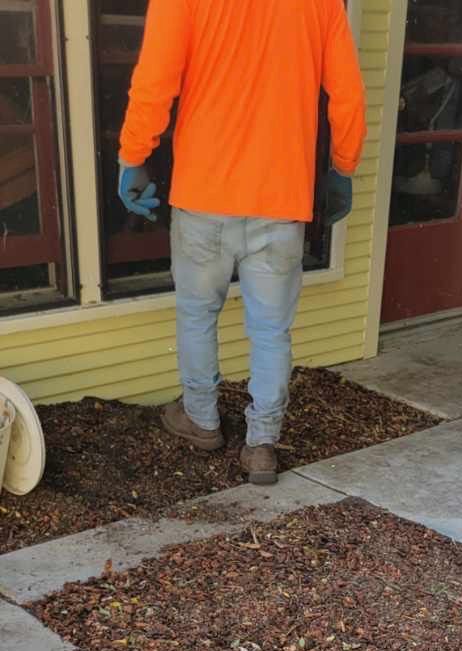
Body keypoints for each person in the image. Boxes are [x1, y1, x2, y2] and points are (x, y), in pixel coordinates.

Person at [118, 0, 366, 485]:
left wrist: (133, 155)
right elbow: (347, 94)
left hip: (203, 196)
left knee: (196, 313)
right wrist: (343, 167)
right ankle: (262, 445)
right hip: (281, 198)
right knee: (271, 331)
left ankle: (202, 418)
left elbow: (154, 81)